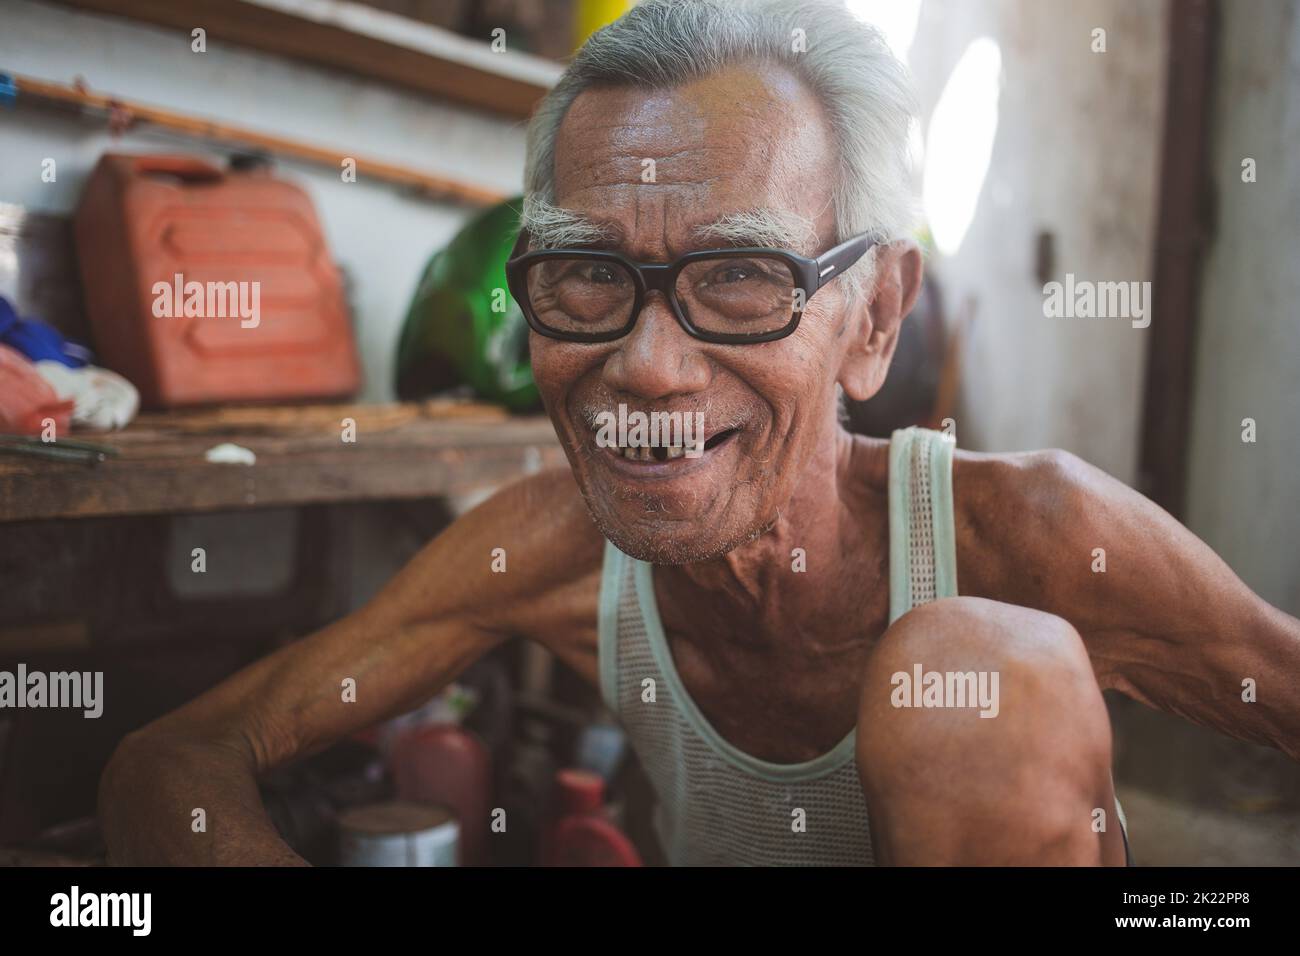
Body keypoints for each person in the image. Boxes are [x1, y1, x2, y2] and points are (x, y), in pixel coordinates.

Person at [100, 0, 1300, 866]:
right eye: (582, 274)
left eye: (739, 275)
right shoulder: (552, 549)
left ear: (872, 316)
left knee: (967, 684)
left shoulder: (1029, 533)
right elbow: (180, 756)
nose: (647, 364)